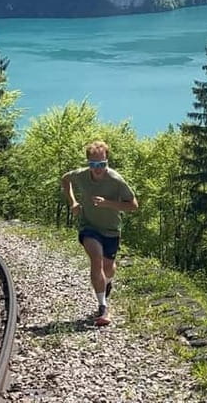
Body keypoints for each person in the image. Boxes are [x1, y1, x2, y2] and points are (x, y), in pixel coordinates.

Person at [61, 140, 139, 326]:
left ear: (107, 161)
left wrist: (108, 203)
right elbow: (65, 179)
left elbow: (133, 206)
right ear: (88, 163)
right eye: (94, 164)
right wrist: (73, 202)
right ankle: (103, 308)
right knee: (96, 258)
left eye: (102, 164)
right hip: (89, 227)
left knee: (108, 268)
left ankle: (107, 282)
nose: (98, 169)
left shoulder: (116, 180)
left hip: (111, 230)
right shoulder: (80, 175)